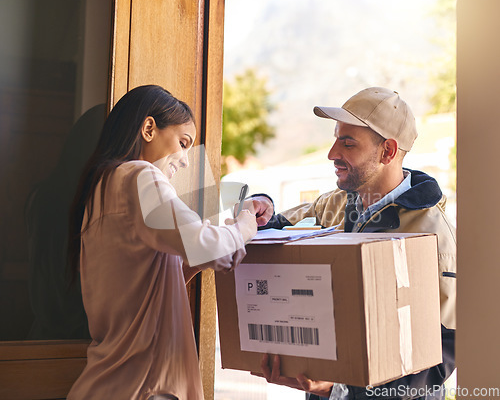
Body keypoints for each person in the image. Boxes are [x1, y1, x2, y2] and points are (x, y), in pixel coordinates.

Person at [246, 87, 456, 400]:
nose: (332, 153)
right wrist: (262, 205)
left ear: (387, 152)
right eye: (335, 139)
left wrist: (342, 390)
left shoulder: (433, 237)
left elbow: (443, 354)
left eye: (347, 143)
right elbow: (277, 225)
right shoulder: (337, 203)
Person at [66, 85, 257, 400]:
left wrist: (192, 263)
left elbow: (138, 284)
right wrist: (246, 221)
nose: (184, 160)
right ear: (149, 128)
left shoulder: (101, 187)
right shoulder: (140, 176)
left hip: (109, 381)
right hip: (144, 386)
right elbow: (206, 242)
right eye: (183, 143)